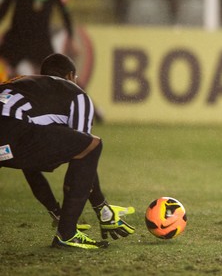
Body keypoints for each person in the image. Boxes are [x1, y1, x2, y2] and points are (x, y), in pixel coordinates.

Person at [0, 54, 133, 249]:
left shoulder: (24, 84)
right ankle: (67, 234)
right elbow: (84, 150)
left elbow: (29, 162)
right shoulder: (75, 93)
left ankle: (65, 226)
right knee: (92, 144)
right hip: (13, 132)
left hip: (13, 136)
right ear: (71, 75)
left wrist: (55, 210)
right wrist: (101, 207)